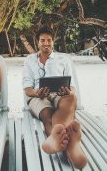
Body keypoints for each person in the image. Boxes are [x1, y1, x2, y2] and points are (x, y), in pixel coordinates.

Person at [22, 26, 87, 168]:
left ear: (53, 41)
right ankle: (71, 147)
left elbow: (73, 87)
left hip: (59, 94)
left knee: (71, 99)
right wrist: (36, 92)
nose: (46, 43)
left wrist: (67, 91)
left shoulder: (63, 59)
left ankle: (54, 140)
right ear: (37, 42)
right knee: (48, 114)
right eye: (42, 40)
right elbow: (27, 88)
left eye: (49, 40)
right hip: (38, 96)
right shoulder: (29, 60)